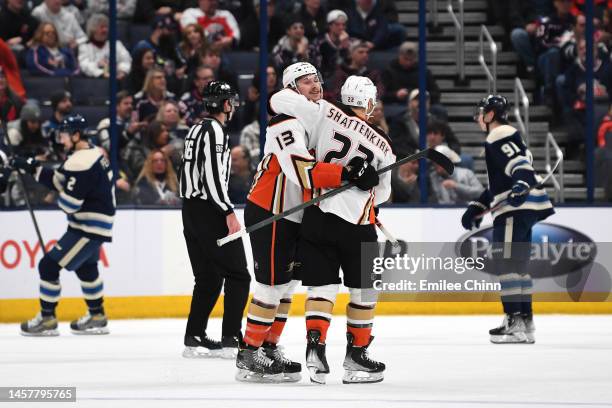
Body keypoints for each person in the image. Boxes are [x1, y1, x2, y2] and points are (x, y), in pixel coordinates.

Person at [238, 63, 374, 383]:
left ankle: (268, 347)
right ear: (292, 88)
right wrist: (348, 175)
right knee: (271, 285)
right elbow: (301, 171)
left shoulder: (318, 120)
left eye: (317, 79)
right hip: (271, 212)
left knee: (287, 286)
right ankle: (248, 352)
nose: (315, 85)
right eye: (305, 81)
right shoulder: (283, 122)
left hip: (296, 214)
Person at [269, 75, 393, 384]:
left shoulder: (324, 111)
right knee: (364, 289)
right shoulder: (384, 145)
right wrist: (368, 180)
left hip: (319, 216)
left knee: (322, 288)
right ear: (368, 102)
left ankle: (315, 348)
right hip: (359, 225)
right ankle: (356, 356)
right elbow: (385, 194)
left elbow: (277, 101)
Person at [461, 95, 555, 344]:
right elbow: (499, 182)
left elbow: (520, 165)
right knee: (519, 266)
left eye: (481, 112)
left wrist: (522, 183)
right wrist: (477, 206)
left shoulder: (498, 133)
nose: (478, 117)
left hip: (516, 209)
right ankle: (525, 322)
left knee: (508, 265)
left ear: (491, 114)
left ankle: (514, 323)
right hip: (524, 208)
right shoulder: (508, 135)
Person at [11, 114, 115, 336]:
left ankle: (47, 319)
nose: (61, 138)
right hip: (93, 225)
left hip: (87, 227)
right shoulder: (91, 153)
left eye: (65, 134)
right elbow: (60, 179)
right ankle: (97, 316)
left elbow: (69, 204)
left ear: (77, 135)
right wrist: (32, 167)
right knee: (87, 268)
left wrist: (54, 196)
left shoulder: (81, 162)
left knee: (48, 266)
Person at [178, 80, 251, 359]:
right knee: (238, 274)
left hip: (192, 211)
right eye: (230, 100)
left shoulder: (196, 128)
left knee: (208, 277)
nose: (233, 105)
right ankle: (231, 338)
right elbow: (211, 178)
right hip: (211, 211)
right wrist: (227, 211)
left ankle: (194, 336)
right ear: (224, 104)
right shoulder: (214, 131)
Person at [78, 14, 132, 80]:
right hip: (94, 82)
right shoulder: (84, 47)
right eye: (102, 27)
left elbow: (127, 60)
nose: (105, 30)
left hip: (117, 80)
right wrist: (102, 72)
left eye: (106, 27)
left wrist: (122, 71)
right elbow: (84, 65)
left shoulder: (117, 44)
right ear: (93, 29)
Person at [310, 10, 352, 82]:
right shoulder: (319, 43)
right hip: (324, 79)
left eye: (343, 25)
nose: (341, 27)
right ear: (330, 25)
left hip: (346, 79)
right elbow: (317, 66)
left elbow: (352, 66)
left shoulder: (350, 42)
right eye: (337, 24)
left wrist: (345, 48)